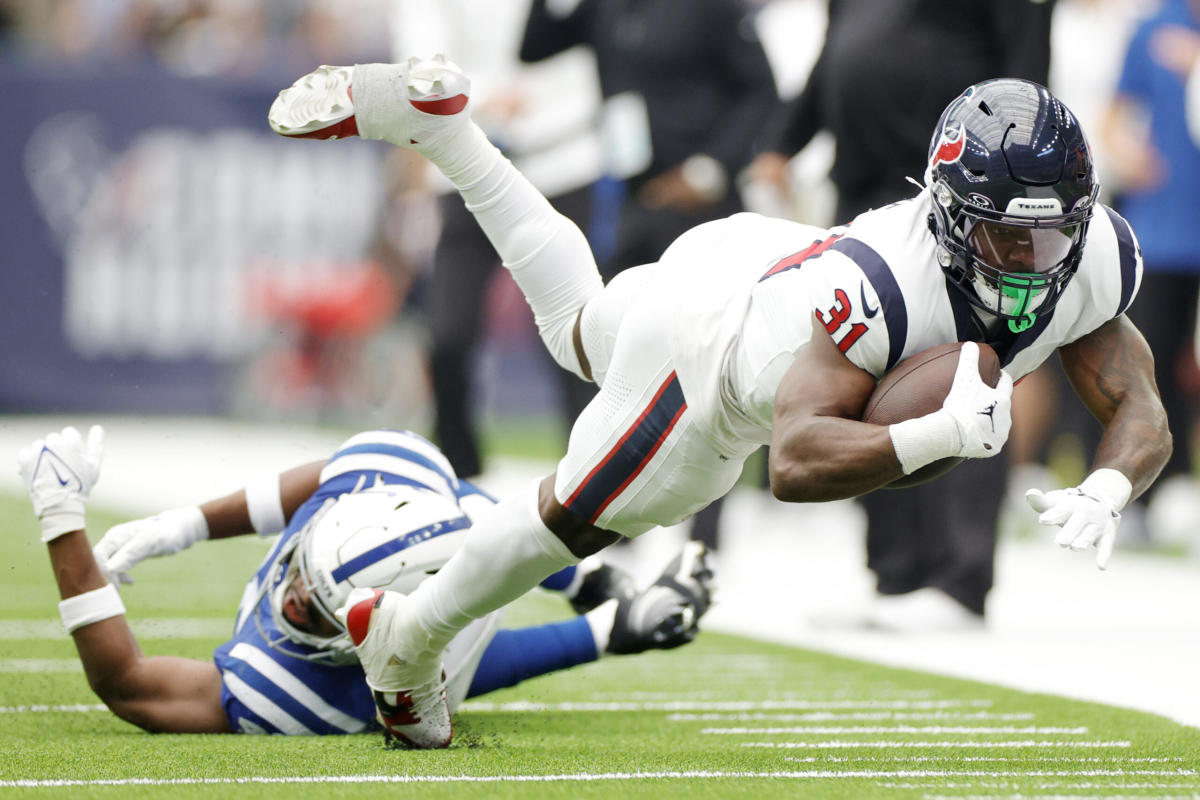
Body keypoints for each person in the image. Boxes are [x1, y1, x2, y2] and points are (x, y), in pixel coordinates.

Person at [266, 57, 1170, 748]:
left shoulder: (1088, 258)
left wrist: (1109, 488)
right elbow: (798, 459)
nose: (1028, 262)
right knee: (572, 520)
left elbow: (1139, 405)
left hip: (748, 252)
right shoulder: (887, 285)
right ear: (946, 213)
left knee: (577, 328)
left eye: (1050, 234)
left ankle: (448, 136)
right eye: (1004, 237)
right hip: (721, 356)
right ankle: (409, 642)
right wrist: (935, 432)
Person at [16, 424, 713, 740]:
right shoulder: (385, 472)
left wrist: (59, 520)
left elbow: (127, 684)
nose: (287, 605)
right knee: (483, 515)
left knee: (448, 661)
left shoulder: (294, 696)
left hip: (423, 644)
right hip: (445, 522)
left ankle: (612, 616)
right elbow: (323, 479)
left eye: (313, 613)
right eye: (302, 579)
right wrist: (185, 525)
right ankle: (599, 589)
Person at [748, 0, 1058, 630]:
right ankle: (895, 574)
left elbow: (1028, 85)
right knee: (870, 378)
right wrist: (781, 146)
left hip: (965, 204)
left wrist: (1020, 192)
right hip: (865, 191)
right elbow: (832, 59)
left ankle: (959, 579)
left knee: (961, 375)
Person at [519, 0, 780, 551]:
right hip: (634, 200)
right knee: (601, 347)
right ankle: (606, 507)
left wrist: (711, 167)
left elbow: (762, 90)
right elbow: (534, 47)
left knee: (711, 358)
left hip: (701, 203)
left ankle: (706, 529)